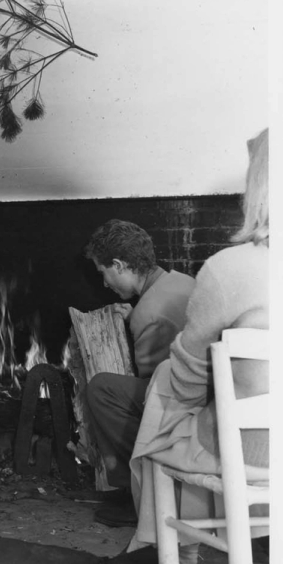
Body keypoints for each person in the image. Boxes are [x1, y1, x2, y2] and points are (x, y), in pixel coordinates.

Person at [107, 128, 269, 564]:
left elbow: (186, 380)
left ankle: (165, 546)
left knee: (168, 405)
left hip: (254, 454)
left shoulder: (230, 270)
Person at [82, 219, 196, 527]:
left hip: (185, 409)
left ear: (118, 265)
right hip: (206, 392)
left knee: (101, 389)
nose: (104, 283)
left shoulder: (148, 313)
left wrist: (138, 321)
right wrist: (140, 315)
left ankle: (138, 490)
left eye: (103, 273)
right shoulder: (181, 281)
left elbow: (154, 390)